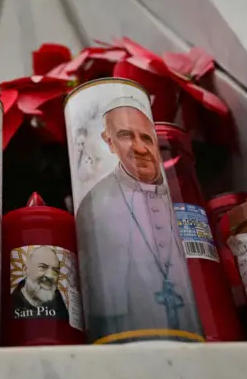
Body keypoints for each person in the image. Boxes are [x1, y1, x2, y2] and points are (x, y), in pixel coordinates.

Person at [76, 97, 201, 342]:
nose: (140, 149)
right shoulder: (94, 204)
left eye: (146, 138)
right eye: (125, 136)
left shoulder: (182, 193)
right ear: (108, 141)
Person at [11, 246, 69, 322]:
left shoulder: (60, 306)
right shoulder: (11, 305)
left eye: (55, 271)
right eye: (42, 267)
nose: (50, 276)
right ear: (25, 270)